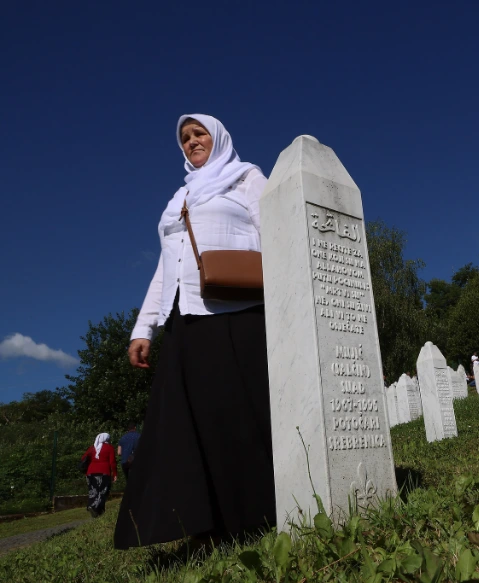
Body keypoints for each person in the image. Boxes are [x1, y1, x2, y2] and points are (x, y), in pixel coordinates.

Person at [114, 114, 276, 549]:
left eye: (199, 133)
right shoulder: (178, 199)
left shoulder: (246, 178)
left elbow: (277, 235)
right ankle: (203, 526)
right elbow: (166, 268)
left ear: (218, 136)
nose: (191, 142)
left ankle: (258, 514)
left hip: (236, 313)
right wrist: (143, 327)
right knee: (185, 424)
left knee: (235, 415)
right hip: (184, 319)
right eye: (185, 138)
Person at [80, 432, 117, 518]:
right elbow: (112, 462)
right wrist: (114, 473)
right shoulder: (109, 448)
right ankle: (95, 507)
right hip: (103, 472)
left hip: (90, 472)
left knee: (93, 491)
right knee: (103, 491)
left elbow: (83, 458)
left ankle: (95, 509)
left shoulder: (92, 448)